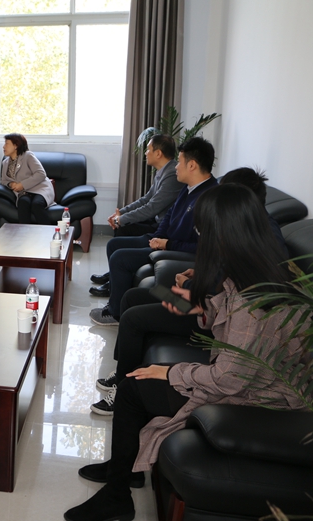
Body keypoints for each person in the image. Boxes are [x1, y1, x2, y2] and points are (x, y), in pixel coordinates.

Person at [65, 183, 308, 521]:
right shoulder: (258, 271)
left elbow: (229, 378)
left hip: (257, 397)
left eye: (204, 231)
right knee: (138, 367)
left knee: (134, 389)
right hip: (249, 380)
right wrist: (200, 309)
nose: (201, 239)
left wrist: (169, 371)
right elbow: (228, 322)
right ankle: (123, 471)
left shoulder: (252, 300)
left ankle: (118, 494)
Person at [91, 166, 288, 415]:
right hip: (205, 301)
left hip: (209, 313)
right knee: (134, 297)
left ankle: (123, 386)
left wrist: (188, 286)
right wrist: (196, 274)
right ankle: (123, 369)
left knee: (133, 318)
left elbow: (244, 291)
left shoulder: (266, 236)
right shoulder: (243, 228)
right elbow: (227, 271)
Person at [89, 137, 218, 326]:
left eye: (179, 162)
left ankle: (115, 314)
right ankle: (116, 300)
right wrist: (159, 236)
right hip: (165, 243)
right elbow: (170, 215)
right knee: (115, 245)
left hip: (175, 252)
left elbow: (201, 247)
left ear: (192, 165)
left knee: (120, 258)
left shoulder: (210, 199)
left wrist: (167, 244)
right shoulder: (189, 187)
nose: (176, 166)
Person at [90, 135, 183, 296]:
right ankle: (113, 277)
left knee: (121, 231)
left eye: (148, 149)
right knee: (122, 228)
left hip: (161, 229)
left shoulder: (171, 175)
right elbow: (146, 199)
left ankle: (113, 282)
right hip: (156, 222)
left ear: (158, 153)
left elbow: (151, 208)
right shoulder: (163, 171)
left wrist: (121, 219)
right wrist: (121, 213)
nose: (145, 153)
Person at [0, 133, 55, 224]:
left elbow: (41, 173)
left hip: (40, 189)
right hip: (24, 192)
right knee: (23, 203)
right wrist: (10, 184)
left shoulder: (28, 156)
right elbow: (4, 180)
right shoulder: (5, 163)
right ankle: (24, 232)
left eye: (7, 143)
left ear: (16, 146)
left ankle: (49, 231)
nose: (4, 146)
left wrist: (22, 184)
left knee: (36, 204)